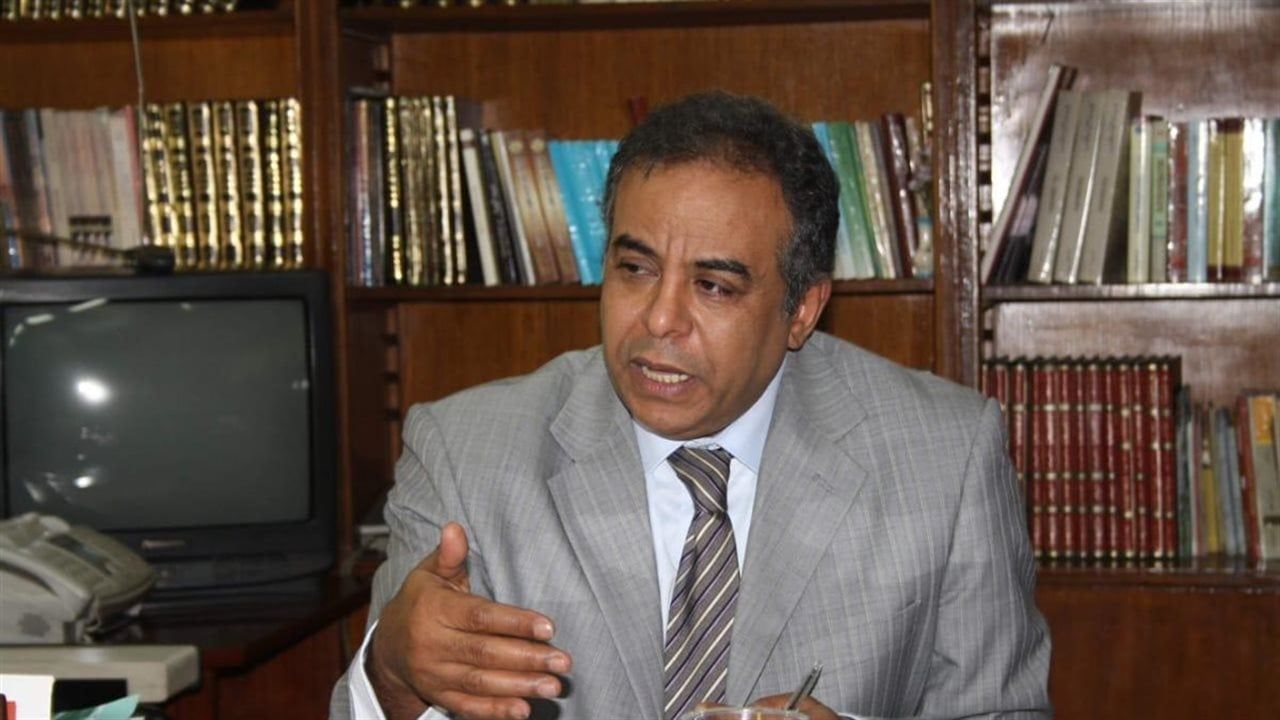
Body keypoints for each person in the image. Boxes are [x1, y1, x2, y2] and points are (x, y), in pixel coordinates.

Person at [331, 91, 1051, 720]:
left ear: (803, 309)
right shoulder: (464, 452)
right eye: (635, 268)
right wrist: (391, 674)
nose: (659, 319)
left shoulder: (945, 457)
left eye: (714, 286)